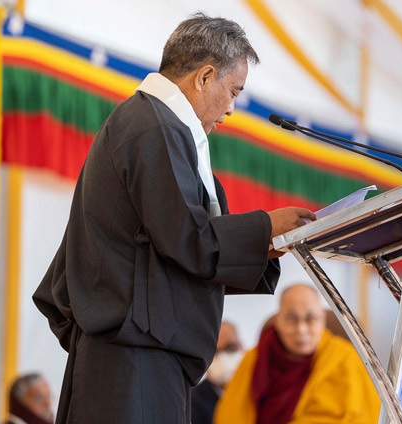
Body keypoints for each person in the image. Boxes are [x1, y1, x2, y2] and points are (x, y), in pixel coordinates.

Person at [32, 13, 315, 424]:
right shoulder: (153, 127)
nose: (233, 109)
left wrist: (265, 246)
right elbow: (186, 238)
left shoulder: (159, 124)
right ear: (204, 77)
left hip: (140, 353)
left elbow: (167, 250)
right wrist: (266, 227)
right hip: (131, 358)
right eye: (234, 91)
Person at [215, 284, 381, 424]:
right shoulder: (255, 359)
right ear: (278, 321)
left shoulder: (345, 359)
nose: (301, 329)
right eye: (291, 319)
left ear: (322, 320)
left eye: (310, 319)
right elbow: (231, 414)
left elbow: (367, 416)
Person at [190, 321, 243, 424]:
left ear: (241, 345)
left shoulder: (257, 389)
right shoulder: (193, 401)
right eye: (216, 352)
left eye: (230, 348)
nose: (223, 358)